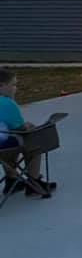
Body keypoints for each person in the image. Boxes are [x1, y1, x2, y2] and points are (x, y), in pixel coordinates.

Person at [0, 69, 57, 198]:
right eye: (13, 85)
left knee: (11, 140)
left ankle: (12, 180)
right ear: (1, 85)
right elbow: (20, 129)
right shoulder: (6, 103)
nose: (15, 88)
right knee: (34, 139)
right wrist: (28, 126)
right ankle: (33, 184)